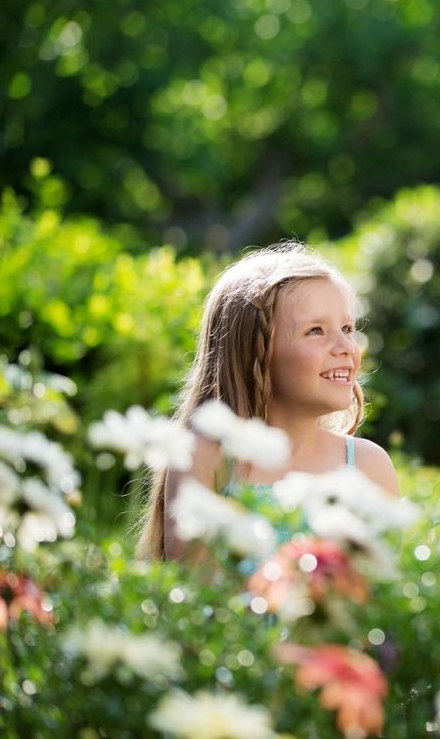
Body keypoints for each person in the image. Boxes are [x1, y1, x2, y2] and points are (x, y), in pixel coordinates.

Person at [136, 241, 399, 562]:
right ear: (255, 353)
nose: (345, 346)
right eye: (316, 331)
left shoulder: (369, 465)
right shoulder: (206, 457)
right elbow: (196, 596)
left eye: (347, 328)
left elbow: (391, 595)